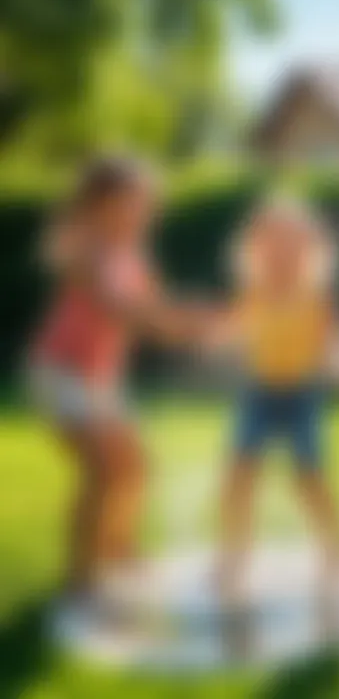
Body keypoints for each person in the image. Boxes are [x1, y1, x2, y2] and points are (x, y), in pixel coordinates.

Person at [29, 156, 205, 601]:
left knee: (134, 469)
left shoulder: (135, 257)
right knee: (104, 473)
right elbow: (121, 309)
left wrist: (207, 324)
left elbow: (156, 313)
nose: (144, 212)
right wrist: (186, 326)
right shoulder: (82, 248)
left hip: (103, 380)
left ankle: (119, 551)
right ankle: (82, 576)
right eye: (134, 202)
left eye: (148, 204)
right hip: (64, 373)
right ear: (99, 204)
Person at [210, 197, 339, 603]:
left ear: (309, 249)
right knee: (239, 471)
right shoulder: (253, 290)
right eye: (271, 240)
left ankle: (334, 549)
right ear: (255, 248)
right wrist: (214, 336)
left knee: (308, 474)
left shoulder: (316, 295)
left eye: (291, 241)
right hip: (258, 392)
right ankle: (236, 553)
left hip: (302, 394)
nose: (281, 250)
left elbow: (328, 345)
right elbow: (234, 326)